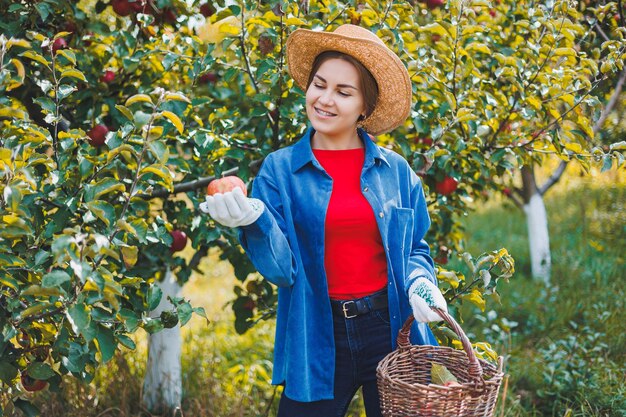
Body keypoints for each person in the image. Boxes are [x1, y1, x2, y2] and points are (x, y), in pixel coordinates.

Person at [199, 24, 448, 417]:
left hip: (391, 329)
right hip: (317, 329)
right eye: (319, 84)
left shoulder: (396, 172)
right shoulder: (279, 171)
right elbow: (283, 271)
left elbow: (415, 247)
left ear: (364, 106)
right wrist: (255, 221)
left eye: (343, 92)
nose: (325, 99)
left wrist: (420, 282)